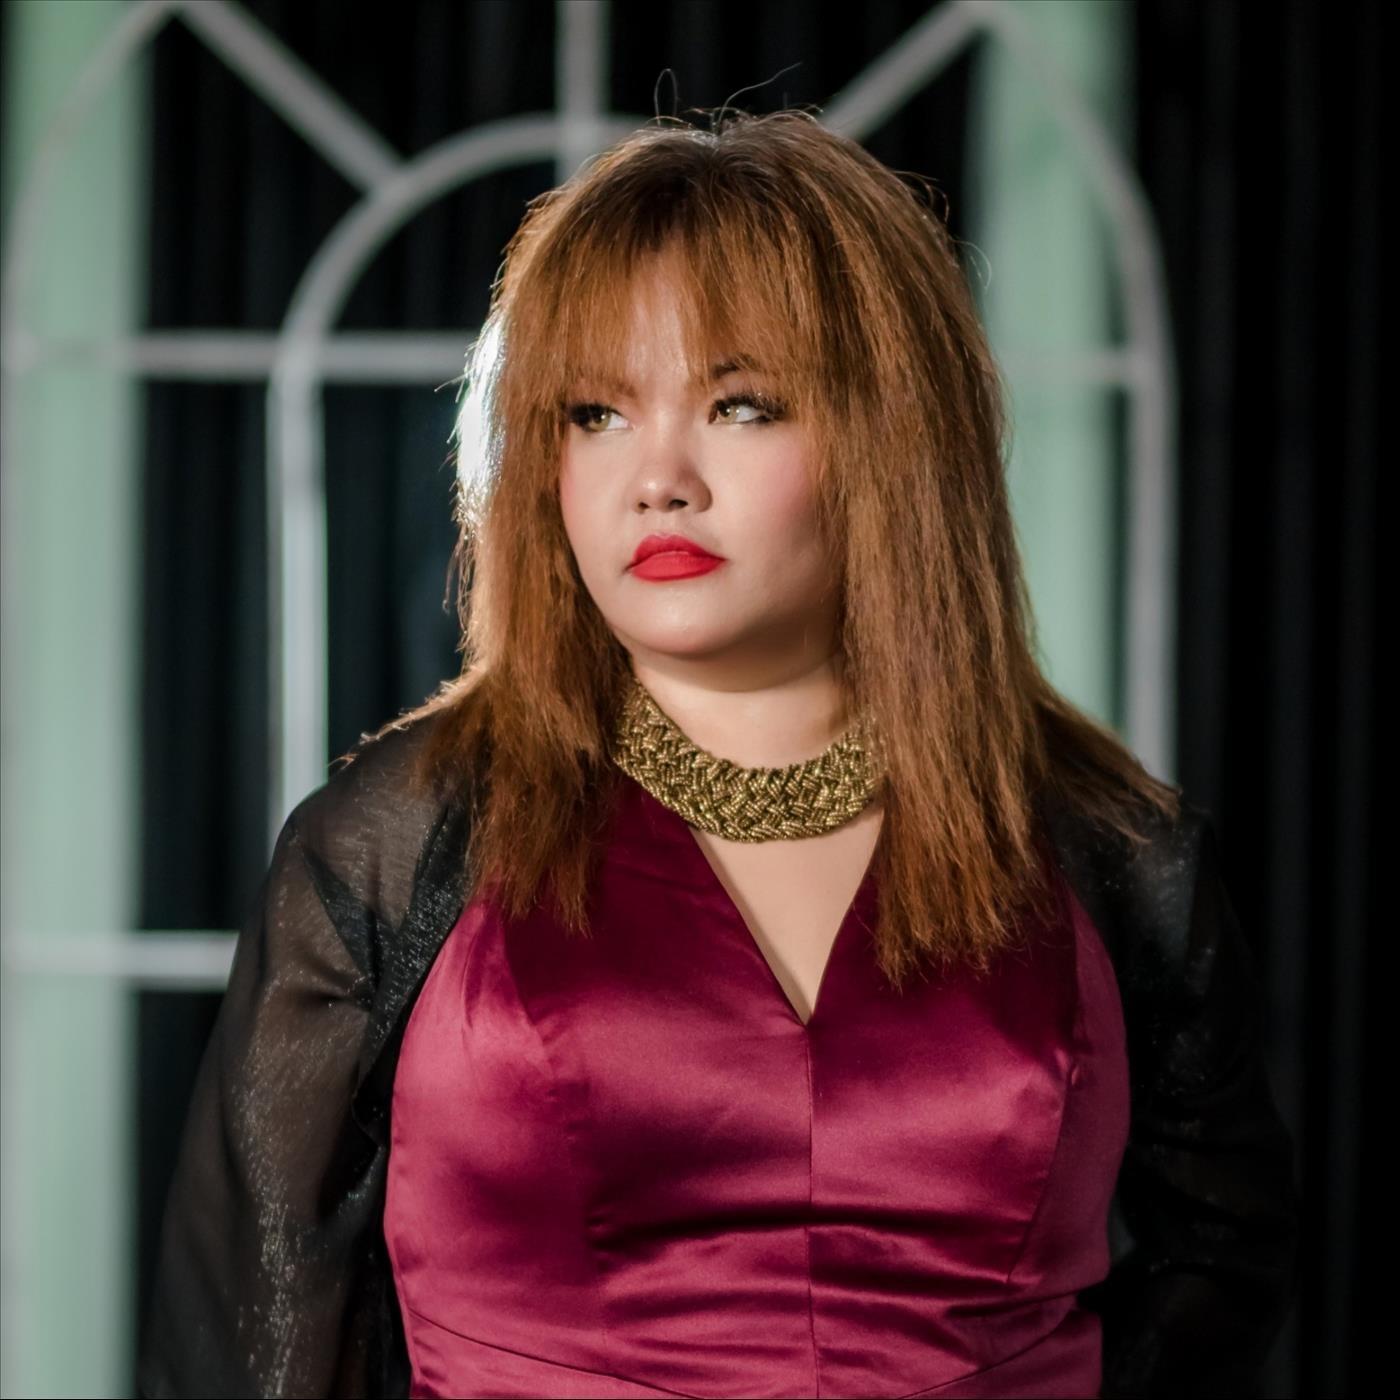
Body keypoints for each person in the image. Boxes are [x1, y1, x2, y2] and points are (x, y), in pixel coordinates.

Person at [138, 109, 1299, 1399]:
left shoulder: (1115, 851)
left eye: (740, 406)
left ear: (895, 440)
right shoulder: (393, 843)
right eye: (595, 412)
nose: (659, 478)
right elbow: (246, 1340)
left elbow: (1228, 1256)